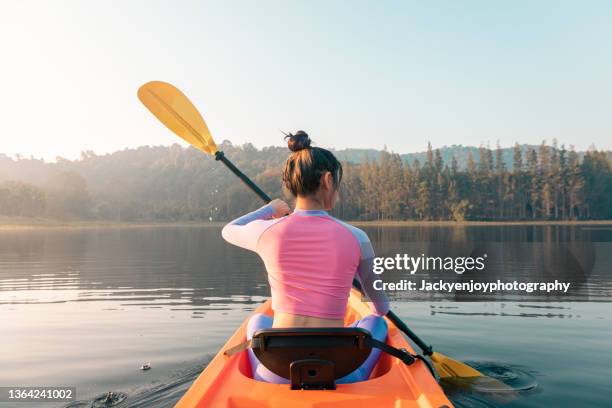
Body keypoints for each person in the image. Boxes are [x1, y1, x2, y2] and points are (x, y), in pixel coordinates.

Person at [221, 130, 389, 384]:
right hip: (339, 372)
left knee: (257, 319)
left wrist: (269, 210)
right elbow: (381, 307)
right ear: (328, 180)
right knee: (378, 324)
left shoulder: (266, 232)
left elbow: (229, 230)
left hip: (276, 371)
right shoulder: (358, 237)